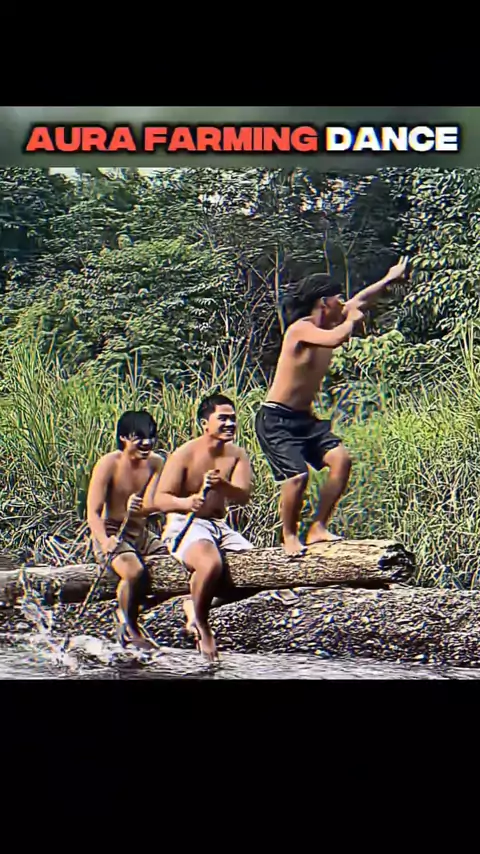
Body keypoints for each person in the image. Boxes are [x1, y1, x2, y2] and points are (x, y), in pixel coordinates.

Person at [255, 257, 409, 556]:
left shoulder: (330, 319)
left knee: (341, 460)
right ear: (324, 302)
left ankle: (318, 528)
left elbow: (361, 299)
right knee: (297, 477)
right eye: (339, 297)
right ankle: (289, 535)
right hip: (276, 419)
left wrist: (390, 277)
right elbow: (337, 338)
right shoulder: (301, 329)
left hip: (305, 420)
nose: (343, 302)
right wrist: (351, 321)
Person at [145, 393, 253, 661]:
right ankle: (203, 627)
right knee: (210, 565)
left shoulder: (237, 454)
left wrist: (222, 486)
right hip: (186, 523)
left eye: (233, 418)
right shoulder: (185, 454)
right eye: (223, 418)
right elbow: (160, 499)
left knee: (256, 572)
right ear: (205, 424)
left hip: (218, 525)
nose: (230, 424)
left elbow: (243, 496)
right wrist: (187, 502)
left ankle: (195, 605)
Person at [87, 410, 165, 650]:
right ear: (123, 438)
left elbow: (155, 504)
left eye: (150, 437)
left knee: (172, 566)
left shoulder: (156, 463)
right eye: (139, 437)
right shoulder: (109, 464)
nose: (147, 443)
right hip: (113, 532)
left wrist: (143, 506)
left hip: (140, 533)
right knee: (133, 570)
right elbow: (93, 512)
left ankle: (134, 607)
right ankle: (128, 625)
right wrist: (105, 541)